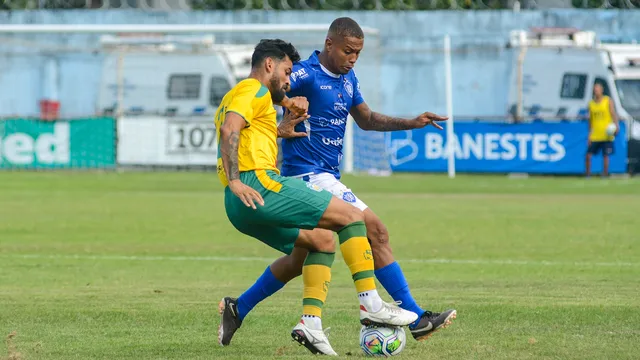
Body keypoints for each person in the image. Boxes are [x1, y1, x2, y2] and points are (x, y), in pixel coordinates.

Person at [218, 18, 455, 348]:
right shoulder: (301, 73)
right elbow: (268, 92)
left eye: (358, 53)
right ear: (330, 44)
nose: (353, 58)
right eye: (348, 51)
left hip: (297, 180)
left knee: (310, 252)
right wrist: (287, 102)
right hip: (306, 174)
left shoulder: (348, 79)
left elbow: (367, 119)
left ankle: (241, 308)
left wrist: (411, 122)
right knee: (370, 226)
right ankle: (409, 315)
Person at [586, 82, 619, 177]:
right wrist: (589, 134)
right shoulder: (591, 104)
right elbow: (590, 120)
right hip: (595, 134)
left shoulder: (607, 101)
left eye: (597, 89)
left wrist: (616, 125)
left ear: (601, 90)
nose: (596, 91)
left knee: (605, 156)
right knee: (588, 155)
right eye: (594, 90)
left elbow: (613, 114)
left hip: (606, 134)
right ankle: (588, 175)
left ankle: (605, 174)